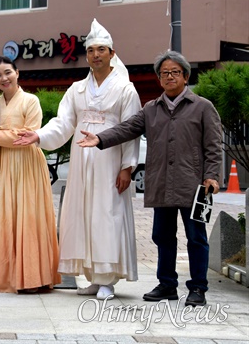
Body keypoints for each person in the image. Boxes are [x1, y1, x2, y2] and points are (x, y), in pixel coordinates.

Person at [76, 50, 222, 306]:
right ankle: (167, 284)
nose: (169, 77)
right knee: (162, 237)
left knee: (196, 238)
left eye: (175, 72)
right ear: (159, 79)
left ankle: (198, 288)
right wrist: (100, 139)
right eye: (164, 73)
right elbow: (127, 128)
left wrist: (211, 176)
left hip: (194, 187)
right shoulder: (151, 109)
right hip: (162, 184)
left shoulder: (202, 107)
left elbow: (213, 145)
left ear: (185, 76)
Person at [14, 19, 141, 300]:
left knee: (108, 216)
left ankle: (108, 278)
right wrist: (38, 135)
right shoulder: (76, 89)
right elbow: (63, 124)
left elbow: (132, 130)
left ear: (112, 53)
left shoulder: (125, 89)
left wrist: (127, 168)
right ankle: (93, 277)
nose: (96, 54)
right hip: (82, 161)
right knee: (84, 215)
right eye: (92, 50)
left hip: (110, 160)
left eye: (101, 49)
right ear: (87, 55)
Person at [0, 56, 61, 293]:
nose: (3, 78)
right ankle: (11, 278)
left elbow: (28, 135)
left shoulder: (31, 101)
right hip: (4, 165)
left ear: (17, 73)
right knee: (7, 219)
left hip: (28, 165)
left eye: (7, 72)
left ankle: (34, 278)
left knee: (30, 218)